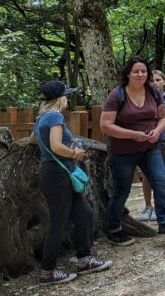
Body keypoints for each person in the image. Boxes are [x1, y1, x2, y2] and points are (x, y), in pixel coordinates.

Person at [32, 80, 112, 284]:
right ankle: (47, 272)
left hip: (54, 174)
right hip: (57, 174)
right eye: (66, 95)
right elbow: (56, 146)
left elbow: (34, 140)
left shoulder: (41, 118)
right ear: (60, 98)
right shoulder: (55, 117)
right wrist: (74, 153)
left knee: (84, 214)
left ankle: (84, 259)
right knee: (58, 223)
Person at [100, 58, 165, 242]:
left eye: (143, 71)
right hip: (122, 150)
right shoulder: (117, 95)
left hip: (150, 146)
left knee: (160, 182)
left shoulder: (152, 91)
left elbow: (163, 117)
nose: (140, 75)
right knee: (122, 190)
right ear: (128, 73)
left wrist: (157, 131)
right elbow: (105, 125)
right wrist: (132, 134)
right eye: (136, 71)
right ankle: (113, 228)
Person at [136, 69, 165, 220]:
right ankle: (147, 206)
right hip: (147, 140)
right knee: (146, 175)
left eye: (158, 80)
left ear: (164, 81)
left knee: (163, 175)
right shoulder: (144, 99)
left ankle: (160, 206)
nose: (155, 83)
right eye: (152, 81)